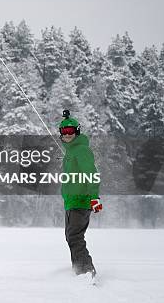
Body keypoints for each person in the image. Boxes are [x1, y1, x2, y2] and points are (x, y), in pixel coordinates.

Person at [59, 110, 102, 280]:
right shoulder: (71, 152)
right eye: (64, 131)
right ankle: (78, 270)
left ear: (77, 131)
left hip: (81, 201)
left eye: (70, 131)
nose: (67, 135)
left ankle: (86, 271)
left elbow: (92, 173)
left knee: (74, 236)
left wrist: (94, 197)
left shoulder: (82, 150)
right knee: (71, 236)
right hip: (71, 202)